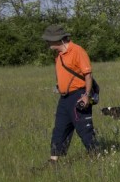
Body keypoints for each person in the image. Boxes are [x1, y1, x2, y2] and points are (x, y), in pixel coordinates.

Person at [42, 24, 100, 161]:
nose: (47, 43)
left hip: (79, 95)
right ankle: (54, 161)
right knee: (60, 129)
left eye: (49, 40)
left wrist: (86, 96)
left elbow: (88, 75)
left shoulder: (77, 51)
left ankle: (97, 157)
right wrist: (60, 87)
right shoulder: (59, 55)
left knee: (84, 129)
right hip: (64, 98)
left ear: (58, 39)